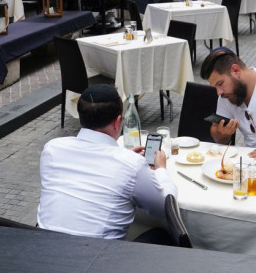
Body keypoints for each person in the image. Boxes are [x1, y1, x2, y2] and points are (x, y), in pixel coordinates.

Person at [37, 84, 177, 241]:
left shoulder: (52, 149)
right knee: (163, 235)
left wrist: (123, 161)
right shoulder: (131, 164)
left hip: (44, 250)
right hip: (96, 259)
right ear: (117, 122)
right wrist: (161, 170)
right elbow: (165, 208)